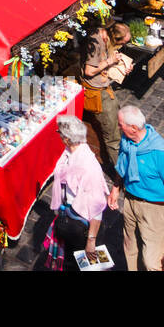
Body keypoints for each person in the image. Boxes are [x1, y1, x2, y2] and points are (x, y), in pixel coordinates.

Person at [109, 105, 164, 272]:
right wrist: (115, 189)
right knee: (130, 247)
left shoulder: (160, 154)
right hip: (130, 201)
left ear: (133, 128)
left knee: (151, 262)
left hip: (153, 209)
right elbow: (122, 165)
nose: (118, 127)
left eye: (121, 125)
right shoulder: (127, 141)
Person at [45, 115, 111, 271]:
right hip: (69, 217)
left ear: (67, 139)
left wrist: (91, 241)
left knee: (80, 265)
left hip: (81, 227)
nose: (58, 135)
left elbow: (97, 208)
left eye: (59, 133)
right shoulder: (70, 152)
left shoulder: (88, 165)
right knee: (69, 260)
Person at [80, 23, 125, 169]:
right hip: (99, 95)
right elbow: (89, 71)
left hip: (105, 89)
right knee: (112, 137)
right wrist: (110, 61)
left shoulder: (104, 37)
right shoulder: (96, 42)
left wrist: (121, 67)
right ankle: (121, 174)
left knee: (117, 127)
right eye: (122, 43)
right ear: (114, 38)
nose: (122, 47)